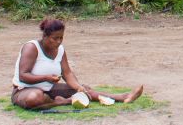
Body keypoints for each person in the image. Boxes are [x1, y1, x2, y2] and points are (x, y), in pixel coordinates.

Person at [11, 17, 144, 110]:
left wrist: (78, 87)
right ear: (45, 36)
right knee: (35, 98)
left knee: (84, 89)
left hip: (50, 89)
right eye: (55, 38)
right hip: (24, 90)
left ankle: (123, 97)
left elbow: (67, 72)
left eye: (61, 38)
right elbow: (23, 75)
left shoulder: (60, 50)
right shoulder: (32, 47)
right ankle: (61, 102)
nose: (58, 42)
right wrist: (46, 78)